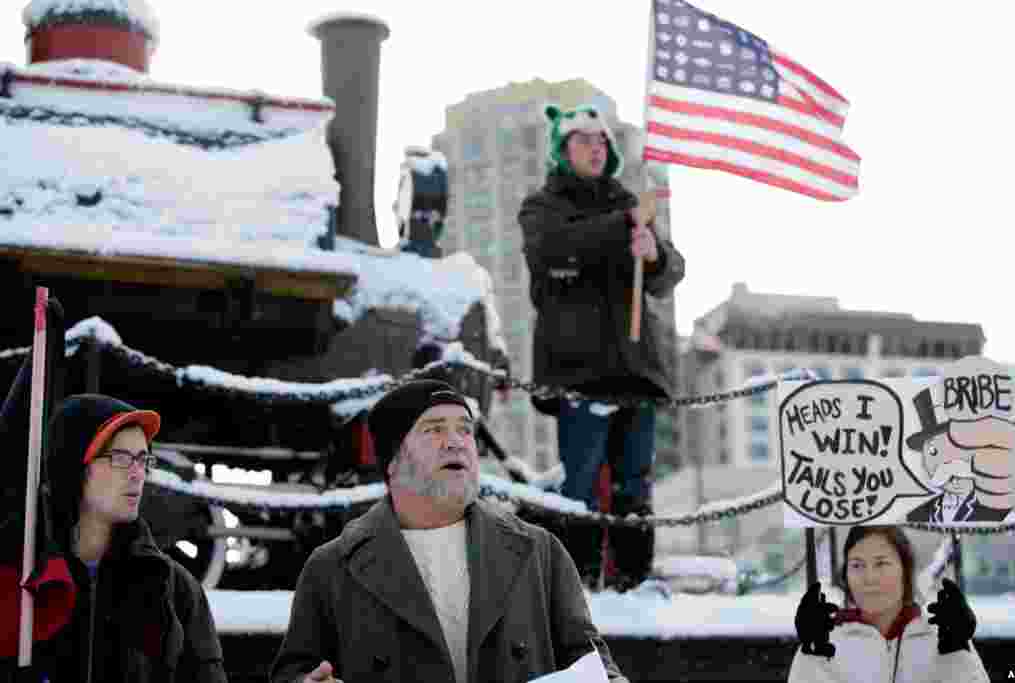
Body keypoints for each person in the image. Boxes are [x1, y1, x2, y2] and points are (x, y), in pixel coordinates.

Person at [270, 379, 627, 683]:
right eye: (434, 429)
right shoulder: (331, 568)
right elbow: (294, 673)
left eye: (465, 430)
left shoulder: (540, 553)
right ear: (392, 462)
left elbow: (596, 666)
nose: (456, 442)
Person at [517, 103, 685, 590]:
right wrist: (621, 227)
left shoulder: (631, 204)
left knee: (635, 484)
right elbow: (552, 251)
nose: (596, 148)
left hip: (635, 369)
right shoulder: (542, 207)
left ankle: (633, 581)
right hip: (579, 372)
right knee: (582, 485)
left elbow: (669, 274)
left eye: (601, 141)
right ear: (562, 151)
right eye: (583, 140)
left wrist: (654, 256)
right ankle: (578, 585)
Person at [20, 393, 228, 682]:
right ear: (74, 465)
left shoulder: (175, 589)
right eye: (120, 458)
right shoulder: (20, 582)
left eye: (143, 460)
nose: (137, 474)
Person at [789, 525, 989, 683]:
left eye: (881, 563)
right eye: (857, 565)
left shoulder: (944, 634)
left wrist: (958, 654)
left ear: (905, 569)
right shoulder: (824, 639)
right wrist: (810, 657)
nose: (869, 577)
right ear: (845, 575)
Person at [904, 389, 1015, 523]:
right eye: (934, 452)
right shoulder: (916, 517)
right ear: (924, 462)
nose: (948, 462)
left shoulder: (1002, 512)